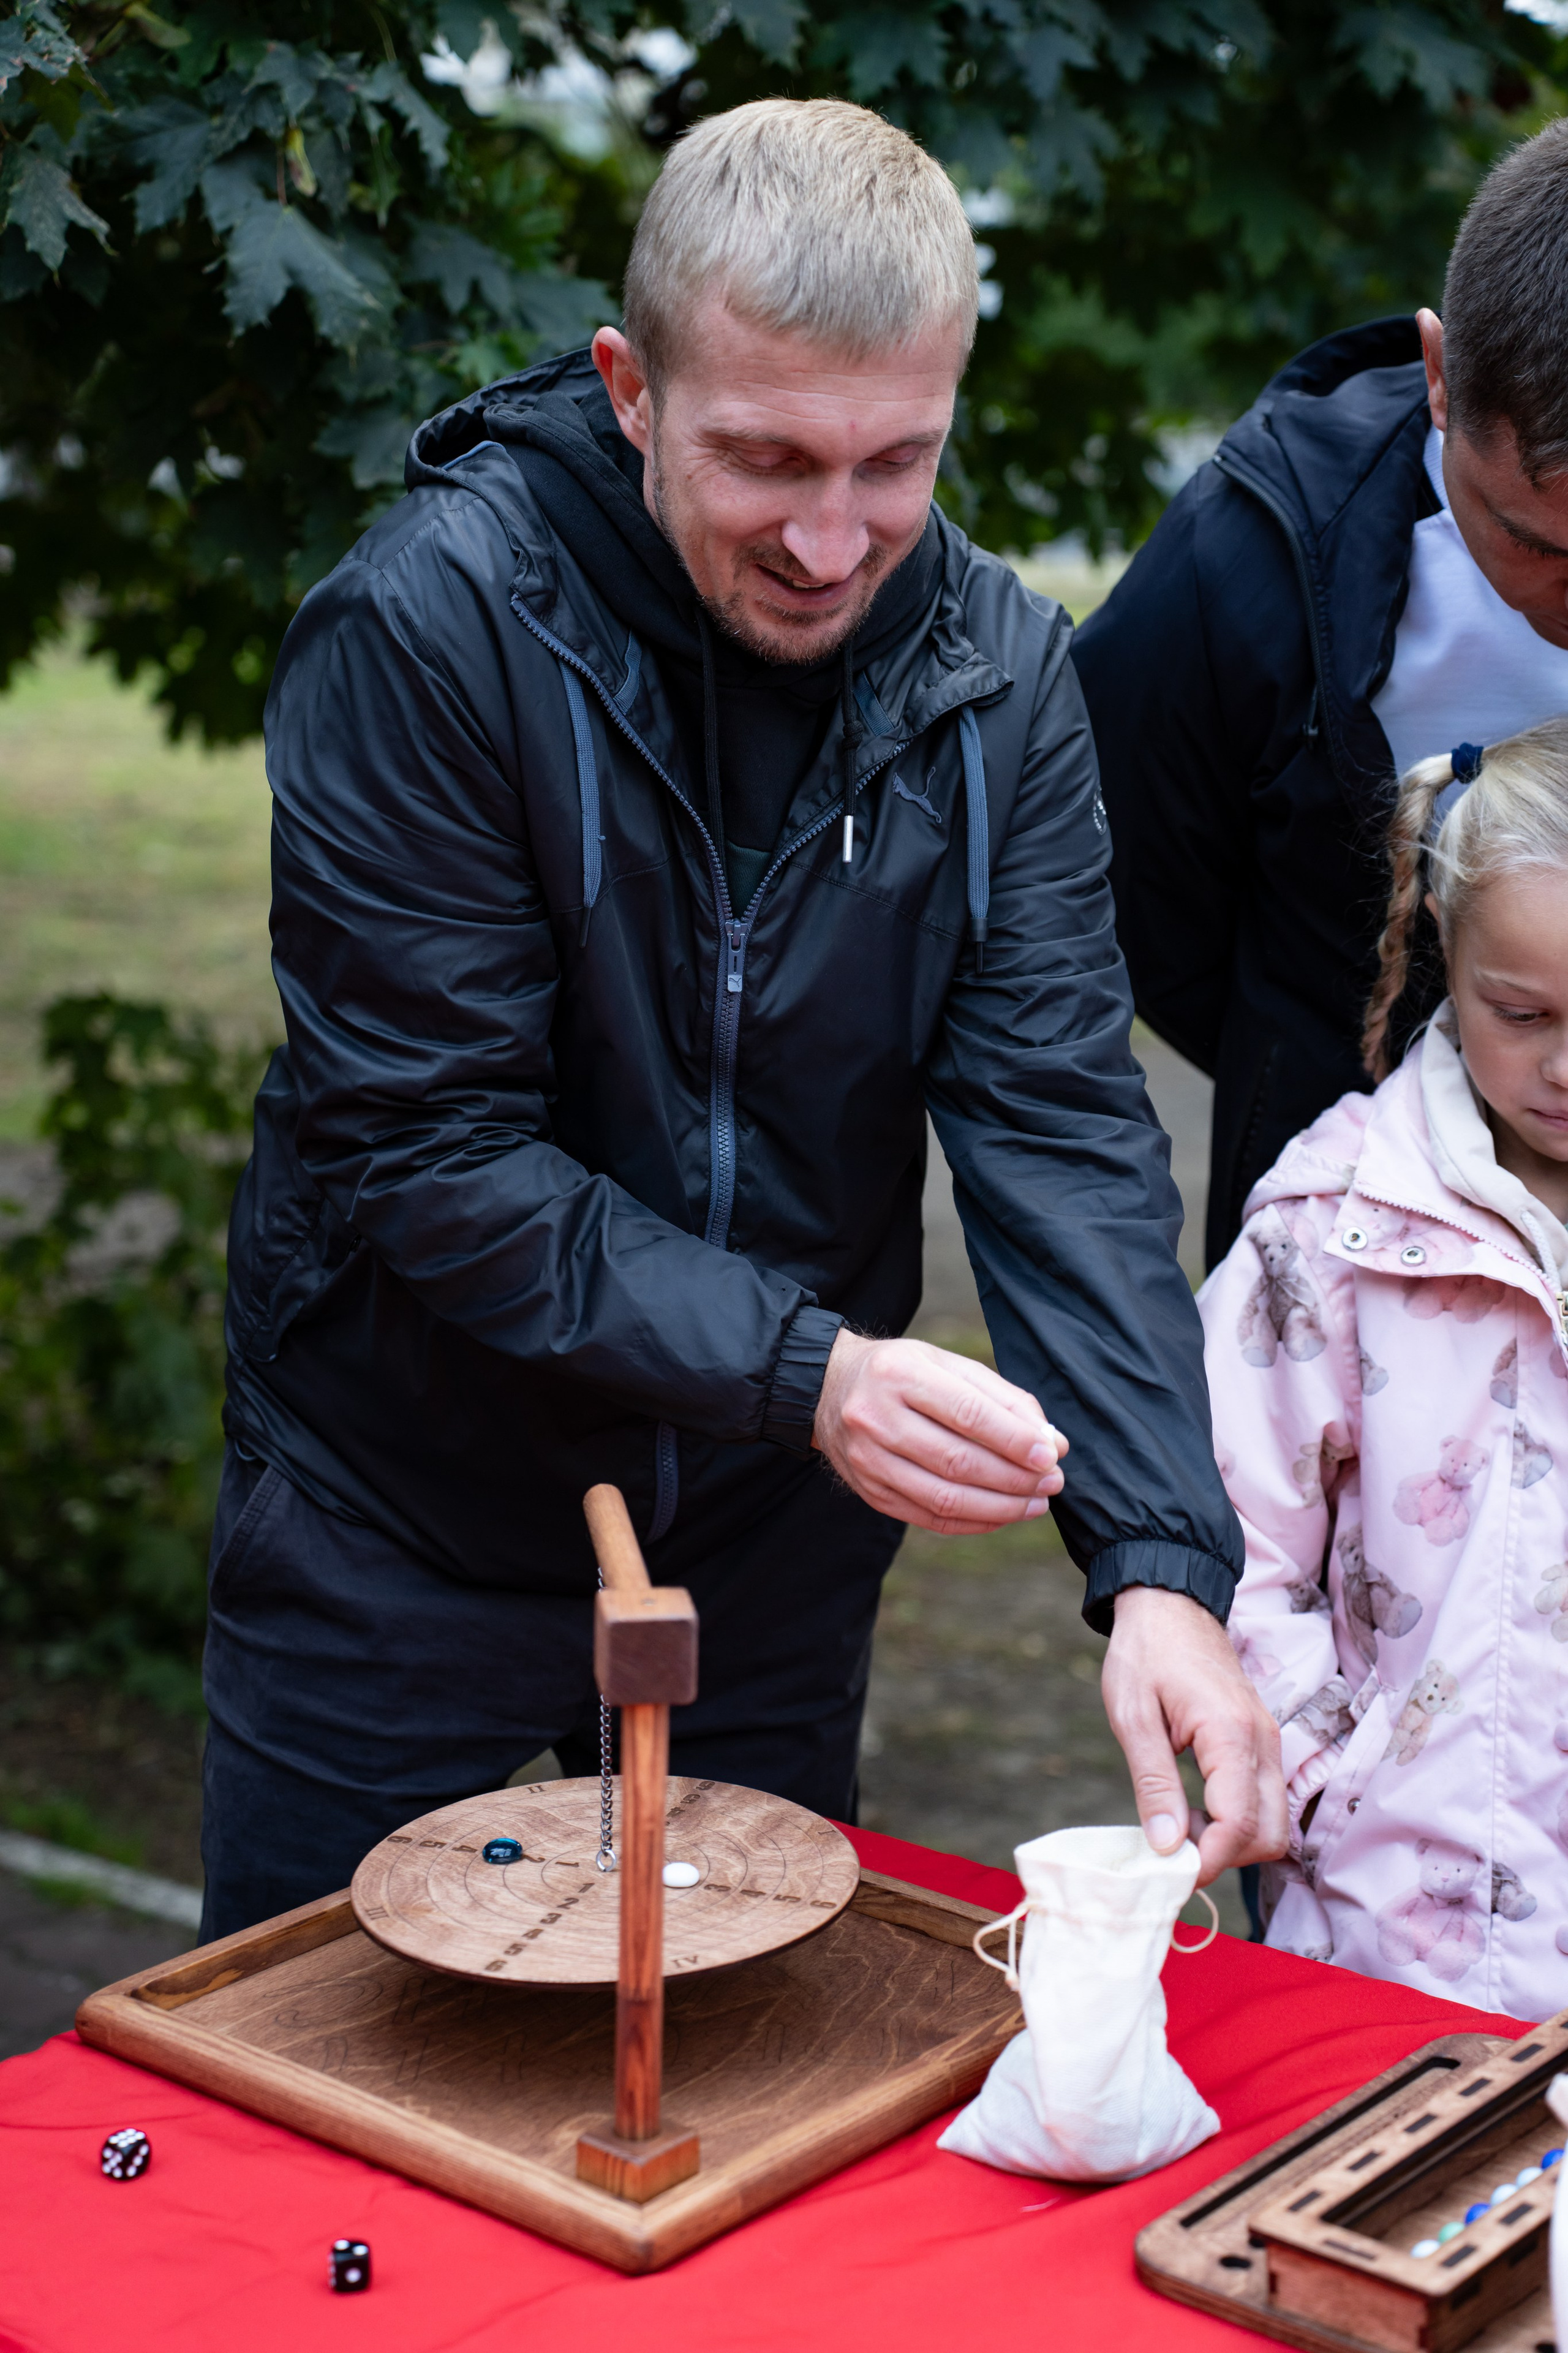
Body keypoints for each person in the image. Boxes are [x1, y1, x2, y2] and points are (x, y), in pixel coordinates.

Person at [204, 98, 1283, 1940]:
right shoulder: (432, 629)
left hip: (764, 1555)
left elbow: (1061, 1123)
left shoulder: (997, 676)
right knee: (326, 2114)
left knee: (729, 2097)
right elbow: (427, 1149)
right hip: (397, 1521)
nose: (830, 539)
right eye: (765, 458)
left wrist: (1165, 1562)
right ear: (630, 388)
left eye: (896, 463)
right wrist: (818, 1375)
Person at [1074, 118, 1568, 1269]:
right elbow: (1127, 890)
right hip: (1345, 1235)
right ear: (1441, 375)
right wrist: (1312, 1049)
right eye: (1537, 544)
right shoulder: (1244, 559)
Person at [1200, 717, 1568, 2018]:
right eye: (1519, 1014)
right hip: (1385, 1952)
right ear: (1440, 963)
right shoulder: (1326, 1231)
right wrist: (1322, 1779)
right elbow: (1227, 1546)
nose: (1563, 1066)